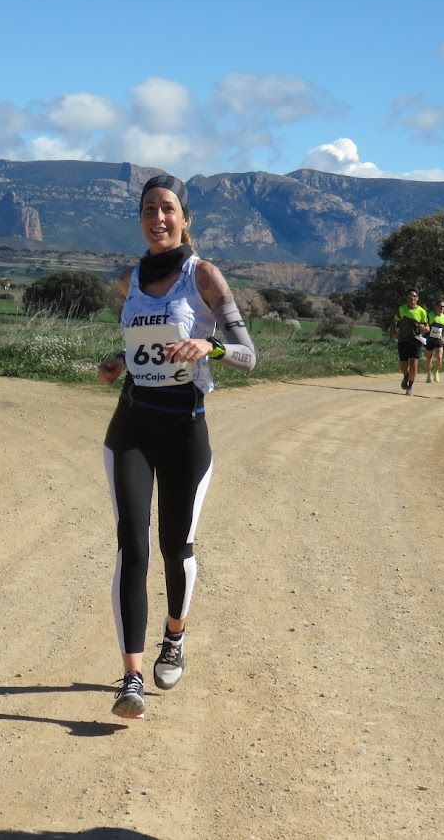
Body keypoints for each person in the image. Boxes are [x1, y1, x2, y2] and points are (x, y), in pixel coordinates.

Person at [97, 174, 257, 719]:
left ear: (185, 218)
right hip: (133, 427)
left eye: (167, 209)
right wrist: (117, 363)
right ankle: (132, 677)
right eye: (148, 210)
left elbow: (249, 354)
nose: (157, 219)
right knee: (132, 547)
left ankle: (175, 635)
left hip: (186, 429)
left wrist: (208, 344)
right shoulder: (129, 281)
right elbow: (132, 347)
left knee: (175, 547)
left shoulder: (204, 276)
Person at [391, 289, 429, 395]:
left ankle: (410, 387)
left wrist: (424, 328)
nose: (412, 298)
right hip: (403, 339)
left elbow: (427, 328)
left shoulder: (422, 312)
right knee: (403, 365)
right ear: (407, 298)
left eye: (414, 296)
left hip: (416, 341)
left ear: (417, 298)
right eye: (410, 296)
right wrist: (394, 331)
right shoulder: (402, 309)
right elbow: (394, 321)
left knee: (413, 364)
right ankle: (406, 375)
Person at [423, 299, 444, 383]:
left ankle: (435, 370)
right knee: (429, 358)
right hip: (429, 339)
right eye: (440, 306)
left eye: (443, 306)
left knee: (440, 358)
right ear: (436, 307)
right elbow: (424, 325)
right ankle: (429, 374)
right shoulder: (429, 315)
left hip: (438, 339)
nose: (442, 308)